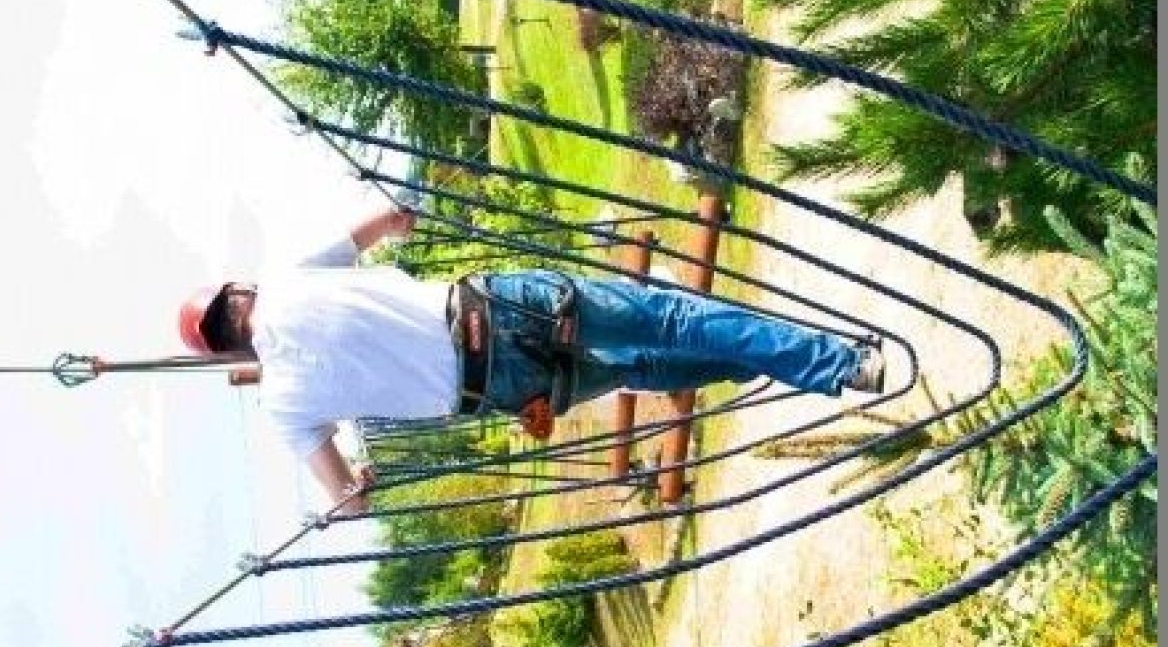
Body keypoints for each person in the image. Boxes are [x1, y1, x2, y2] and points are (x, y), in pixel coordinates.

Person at [178, 206, 885, 513]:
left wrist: (357, 480)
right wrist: (399, 221)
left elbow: (352, 502)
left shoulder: (283, 406)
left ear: (234, 346)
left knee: (640, 366)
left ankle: (775, 363)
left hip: (504, 385)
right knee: (669, 317)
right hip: (494, 308)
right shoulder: (290, 276)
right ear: (238, 291)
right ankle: (839, 363)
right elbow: (385, 220)